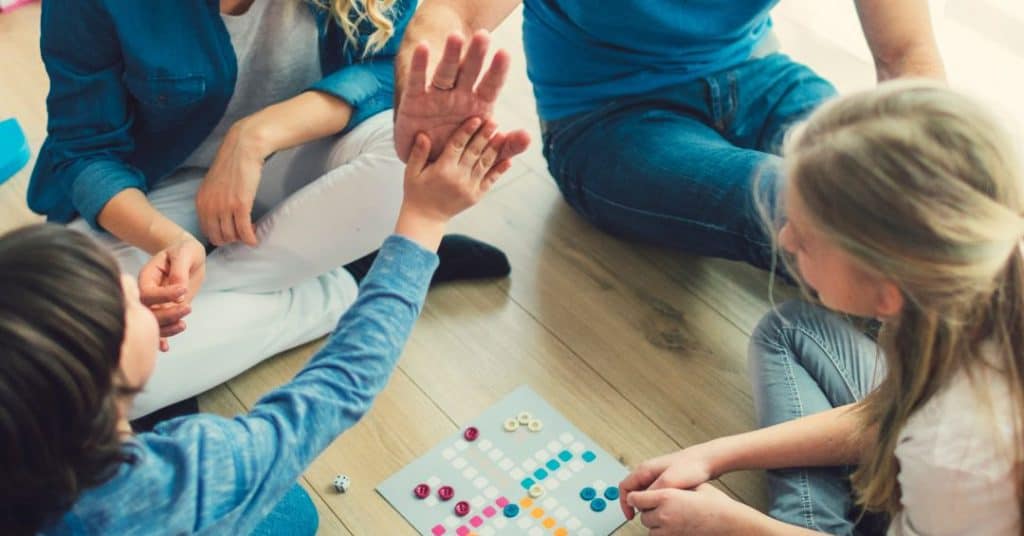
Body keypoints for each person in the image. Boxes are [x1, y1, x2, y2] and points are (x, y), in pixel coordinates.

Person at [1, 116, 510, 535]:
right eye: (126, 297)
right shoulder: (194, 472)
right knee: (293, 513)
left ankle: (341, 277)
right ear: (104, 373)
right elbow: (342, 383)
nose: (138, 286)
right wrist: (422, 224)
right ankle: (354, 277)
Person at [28, 0, 512, 419]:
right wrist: (170, 242)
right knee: (76, 387)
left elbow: (390, 67)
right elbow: (85, 152)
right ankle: (353, 278)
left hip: (295, 164)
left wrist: (256, 135)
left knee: (404, 151)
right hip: (156, 195)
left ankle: (303, 289)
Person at [618, 82, 1024, 535]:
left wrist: (730, 525)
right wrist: (713, 453)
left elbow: (921, 430)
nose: (785, 240)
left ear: (887, 291)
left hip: (942, 503)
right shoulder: (972, 297)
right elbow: (887, 417)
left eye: (805, 238)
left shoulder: (957, 453)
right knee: (792, 329)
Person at [391, 0, 945, 270]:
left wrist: (933, 180)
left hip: (761, 73)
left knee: (889, 192)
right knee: (797, 199)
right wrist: (427, 80)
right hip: (607, 119)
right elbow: (453, 15)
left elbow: (906, 57)